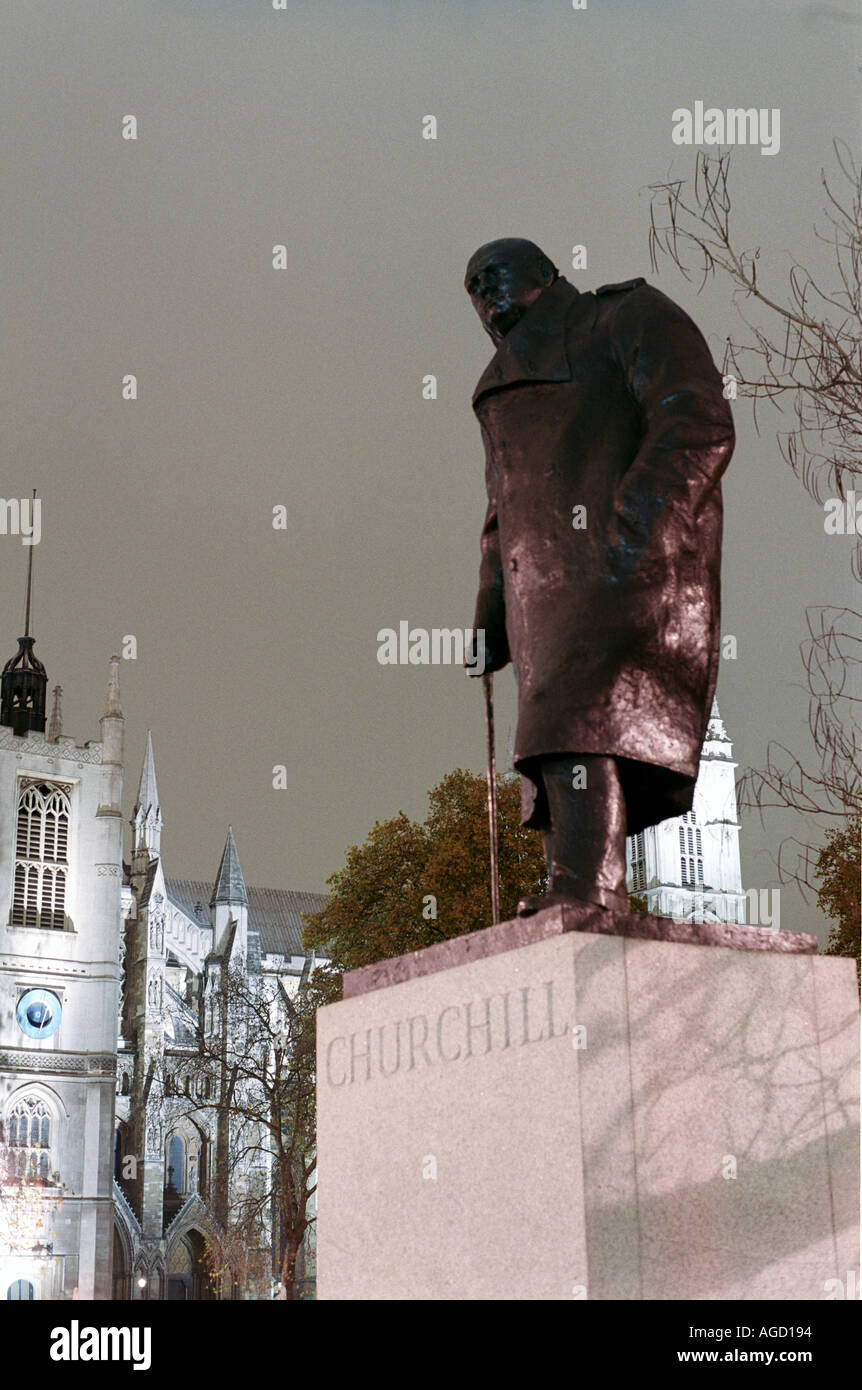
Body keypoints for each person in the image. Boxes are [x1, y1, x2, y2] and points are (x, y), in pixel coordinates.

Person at [465, 238, 735, 916]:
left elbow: (696, 417)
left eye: (496, 275)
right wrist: (491, 610)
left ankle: (588, 889)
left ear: (544, 271)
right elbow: (506, 509)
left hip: (624, 566)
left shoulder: (625, 315)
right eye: (472, 288)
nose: (485, 295)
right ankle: (575, 885)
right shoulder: (500, 388)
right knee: (555, 736)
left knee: (578, 719)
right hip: (543, 595)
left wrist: (637, 524)